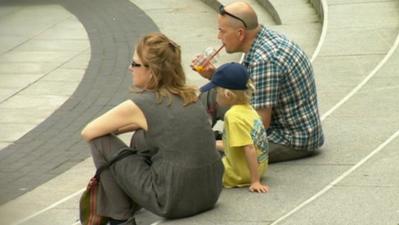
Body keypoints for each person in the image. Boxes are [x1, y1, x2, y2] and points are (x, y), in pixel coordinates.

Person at [81, 33, 223, 225]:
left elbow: (88, 132)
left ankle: (120, 217)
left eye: (135, 64)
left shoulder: (141, 103)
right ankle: (133, 198)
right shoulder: (192, 94)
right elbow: (161, 121)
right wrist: (135, 124)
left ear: (152, 70)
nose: (129, 68)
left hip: (172, 201)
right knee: (141, 135)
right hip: (210, 193)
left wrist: (121, 127)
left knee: (100, 141)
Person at [193, 2, 324, 163]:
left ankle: (199, 143)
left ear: (240, 33)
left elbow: (260, 123)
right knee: (212, 92)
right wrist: (214, 76)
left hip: (289, 139)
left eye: (222, 31)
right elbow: (246, 87)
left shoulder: (264, 60)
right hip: (277, 122)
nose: (219, 37)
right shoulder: (262, 38)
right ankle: (194, 139)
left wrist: (222, 144)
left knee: (215, 157)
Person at [200, 62, 269, 193]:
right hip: (260, 168)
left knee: (200, 168)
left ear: (228, 95)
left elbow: (249, 148)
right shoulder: (249, 109)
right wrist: (211, 144)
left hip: (239, 175)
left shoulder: (232, 116)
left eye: (216, 91)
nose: (214, 96)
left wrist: (255, 181)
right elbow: (234, 145)